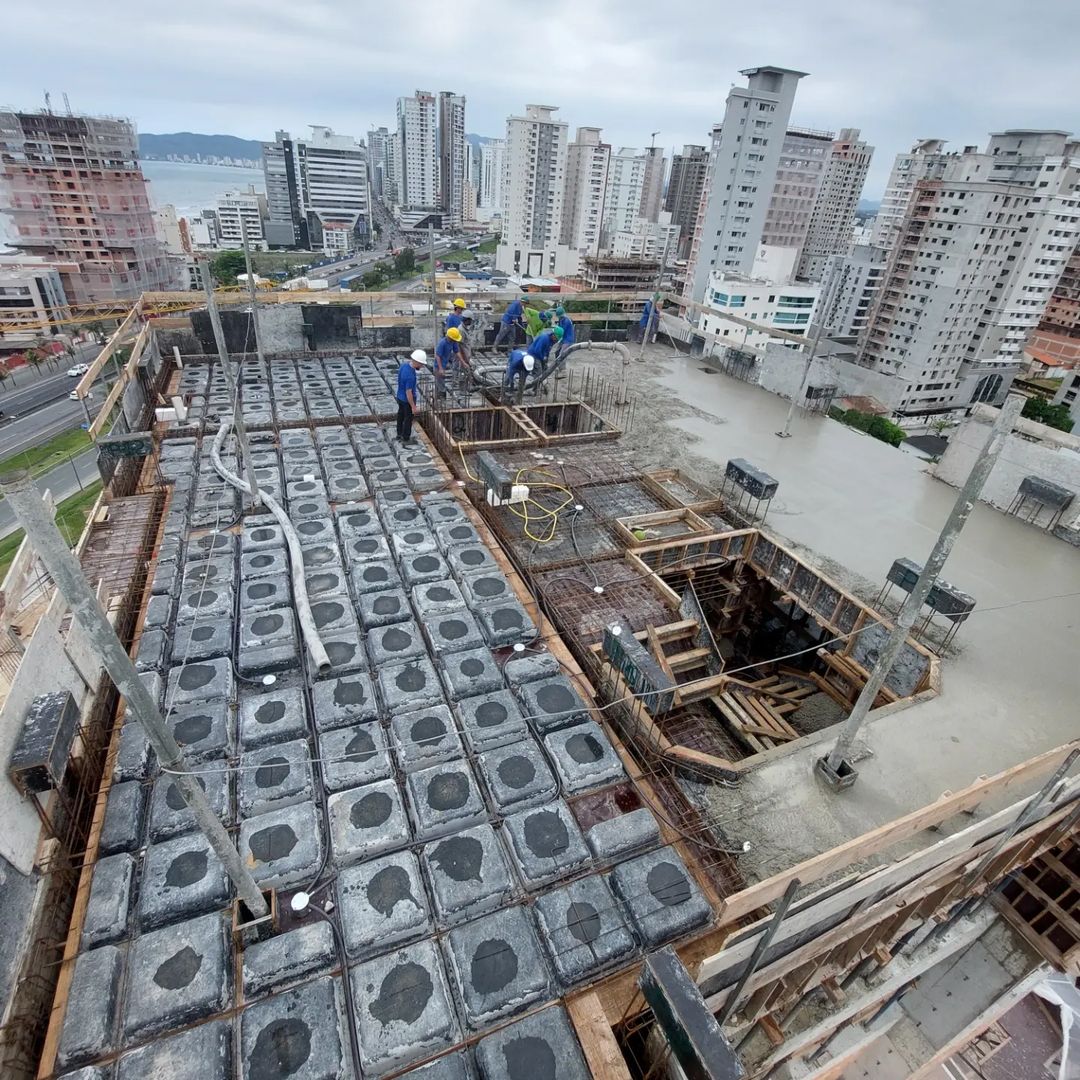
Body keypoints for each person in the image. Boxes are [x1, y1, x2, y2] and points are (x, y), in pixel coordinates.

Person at [396, 349, 427, 443]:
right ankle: (406, 437)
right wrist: (413, 406)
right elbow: (408, 392)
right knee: (408, 418)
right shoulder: (410, 376)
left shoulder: (404, 365)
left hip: (399, 397)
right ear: (416, 362)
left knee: (400, 415)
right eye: (421, 364)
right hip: (407, 400)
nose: (422, 366)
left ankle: (399, 433)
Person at [434, 326, 462, 395]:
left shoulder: (453, 342)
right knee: (440, 383)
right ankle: (441, 398)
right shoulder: (442, 343)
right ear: (450, 337)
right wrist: (440, 368)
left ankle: (439, 395)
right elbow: (437, 356)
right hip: (438, 366)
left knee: (441, 381)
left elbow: (457, 351)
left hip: (444, 364)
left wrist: (463, 362)